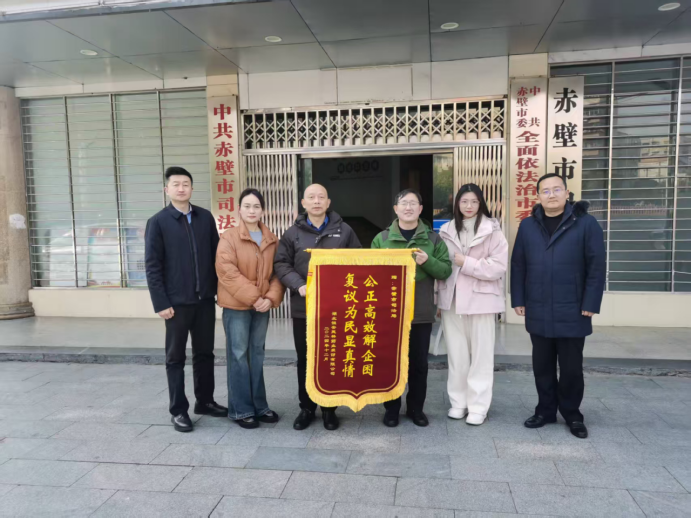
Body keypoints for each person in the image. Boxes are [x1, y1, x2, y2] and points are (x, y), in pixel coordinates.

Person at [511, 173, 605, 439]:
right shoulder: (528, 225)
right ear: (538, 195)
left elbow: (596, 266)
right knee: (542, 365)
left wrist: (591, 302)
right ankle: (545, 411)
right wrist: (518, 299)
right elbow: (518, 264)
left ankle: (572, 414)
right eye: (545, 191)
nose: (551, 195)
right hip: (538, 305)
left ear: (566, 192)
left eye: (556, 189)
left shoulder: (585, 223)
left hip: (573, 307)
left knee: (572, 368)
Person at [145, 166, 227, 433]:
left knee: (205, 354)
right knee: (175, 357)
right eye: (176, 184)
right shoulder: (158, 222)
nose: (181, 188)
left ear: (192, 188)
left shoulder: (205, 217)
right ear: (166, 189)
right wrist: (161, 302)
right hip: (176, 304)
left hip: (204, 301)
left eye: (186, 184)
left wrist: (220, 292)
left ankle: (205, 401)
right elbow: (152, 266)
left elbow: (217, 257)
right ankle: (179, 410)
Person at [274, 183, 362, 431]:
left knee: (332, 357)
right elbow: (281, 264)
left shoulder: (344, 231)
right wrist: (299, 285)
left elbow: (358, 261)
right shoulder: (292, 233)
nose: (316, 201)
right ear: (303, 203)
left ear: (328, 202)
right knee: (305, 358)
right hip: (304, 308)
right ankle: (307, 408)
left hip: (336, 309)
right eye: (311, 197)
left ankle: (329, 409)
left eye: (321, 197)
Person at [371, 189, 452, 427]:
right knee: (390, 362)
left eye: (413, 203)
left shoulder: (433, 239)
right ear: (396, 209)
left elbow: (445, 271)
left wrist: (428, 262)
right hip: (389, 313)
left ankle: (416, 409)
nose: (408, 207)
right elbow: (369, 273)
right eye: (403, 203)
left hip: (420, 313)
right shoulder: (382, 239)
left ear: (420, 209)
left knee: (419, 364)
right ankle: (391, 409)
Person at [438, 184, 508, 426]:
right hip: (452, 301)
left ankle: (478, 406)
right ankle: (459, 402)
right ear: (457, 203)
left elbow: (498, 267)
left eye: (474, 201)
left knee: (481, 356)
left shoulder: (493, 230)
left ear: (481, 204)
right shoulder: (446, 230)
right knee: (456, 355)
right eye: (464, 201)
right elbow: (441, 267)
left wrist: (466, 263)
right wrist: (438, 299)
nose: (469, 206)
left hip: (482, 301)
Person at [216, 188, 285, 429]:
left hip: (262, 306)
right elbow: (227, 272)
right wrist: (255, 298)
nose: (252, 210)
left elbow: (278, 272)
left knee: (256, 354)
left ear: (262, 210)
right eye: (247, 206)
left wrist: (271, 298)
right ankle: (241, 409)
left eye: (256, 206)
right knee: (238, 355)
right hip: (236, 305)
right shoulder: (229, 237)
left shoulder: (271, 239)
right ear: (239, 210)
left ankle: (259, 406)